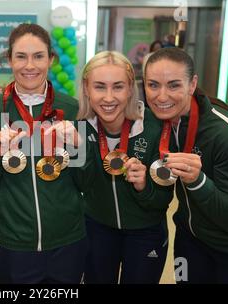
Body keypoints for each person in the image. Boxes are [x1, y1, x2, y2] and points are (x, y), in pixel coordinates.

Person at [0, 23, 90, 284]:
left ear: (51, 59)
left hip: (68, 241)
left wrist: (79, 148)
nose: (29, 66)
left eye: (38, 56)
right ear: (9, 59)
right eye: (21, 56)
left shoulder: (71, 107)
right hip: (16, 242)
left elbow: (86, 182)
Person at [144, 47, 228, 284]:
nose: (161, 96)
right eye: (153, 85)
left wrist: (198, 181)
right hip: (190, 240)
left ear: (192, 84)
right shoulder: (162, 121)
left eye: (174, 85)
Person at [77, 51, 173, 284]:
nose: (109, 98)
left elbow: (163, 199)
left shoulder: (156, 128)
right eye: (99, 87)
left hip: (146, 231)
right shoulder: (78, 127)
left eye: (118, 87)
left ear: (131, 88)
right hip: (96, 228)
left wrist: (145, 186)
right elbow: (78, 185)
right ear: (87, 89)